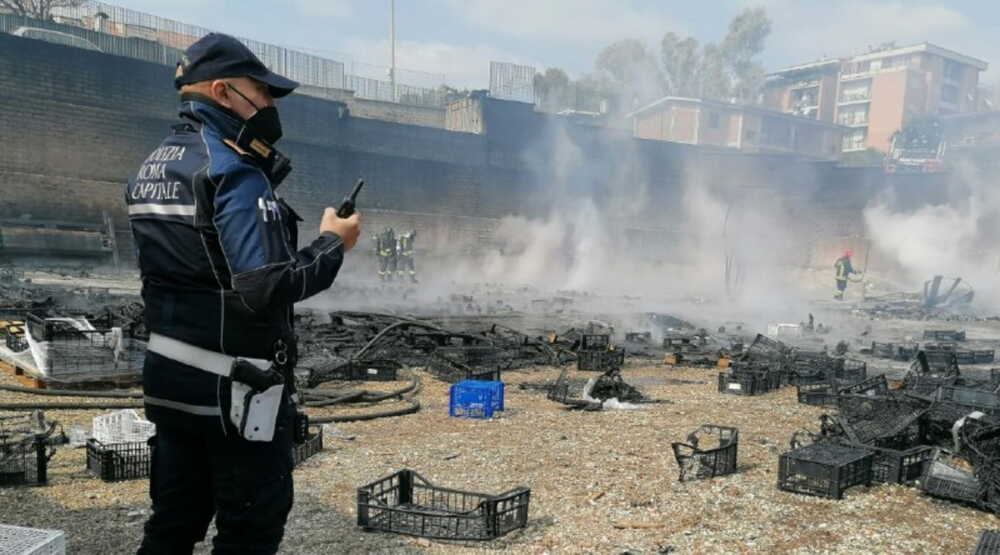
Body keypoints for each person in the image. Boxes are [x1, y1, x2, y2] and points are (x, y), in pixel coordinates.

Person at [126, 33, 361, 554]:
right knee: (249, 531)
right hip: (236, 394)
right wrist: (333, 243)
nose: (271, 104)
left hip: (170, 383)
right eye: (263, 91)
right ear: (223, 92)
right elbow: (266, 286)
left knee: (172, 524)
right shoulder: (233, 169)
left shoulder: (150, 168)